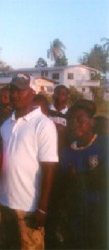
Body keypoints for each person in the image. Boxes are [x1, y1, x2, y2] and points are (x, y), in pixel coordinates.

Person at [0, 74, 58, 249]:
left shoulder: (43, 124)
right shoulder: (6, 124)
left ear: (32, 92)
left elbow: (49, 167)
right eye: (13, 90)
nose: (15, 94)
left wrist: (43, 207)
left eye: (21, 90)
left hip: (29, 207)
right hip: (4, 202)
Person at [59, 103, 108, 249]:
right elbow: (63, 187)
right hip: (76, 218)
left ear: (92, 122)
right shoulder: (66, 153)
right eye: (71, 121)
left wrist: (79, 176)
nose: (75, 124)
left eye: (80, 119)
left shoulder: (104, 145)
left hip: (101, 216)